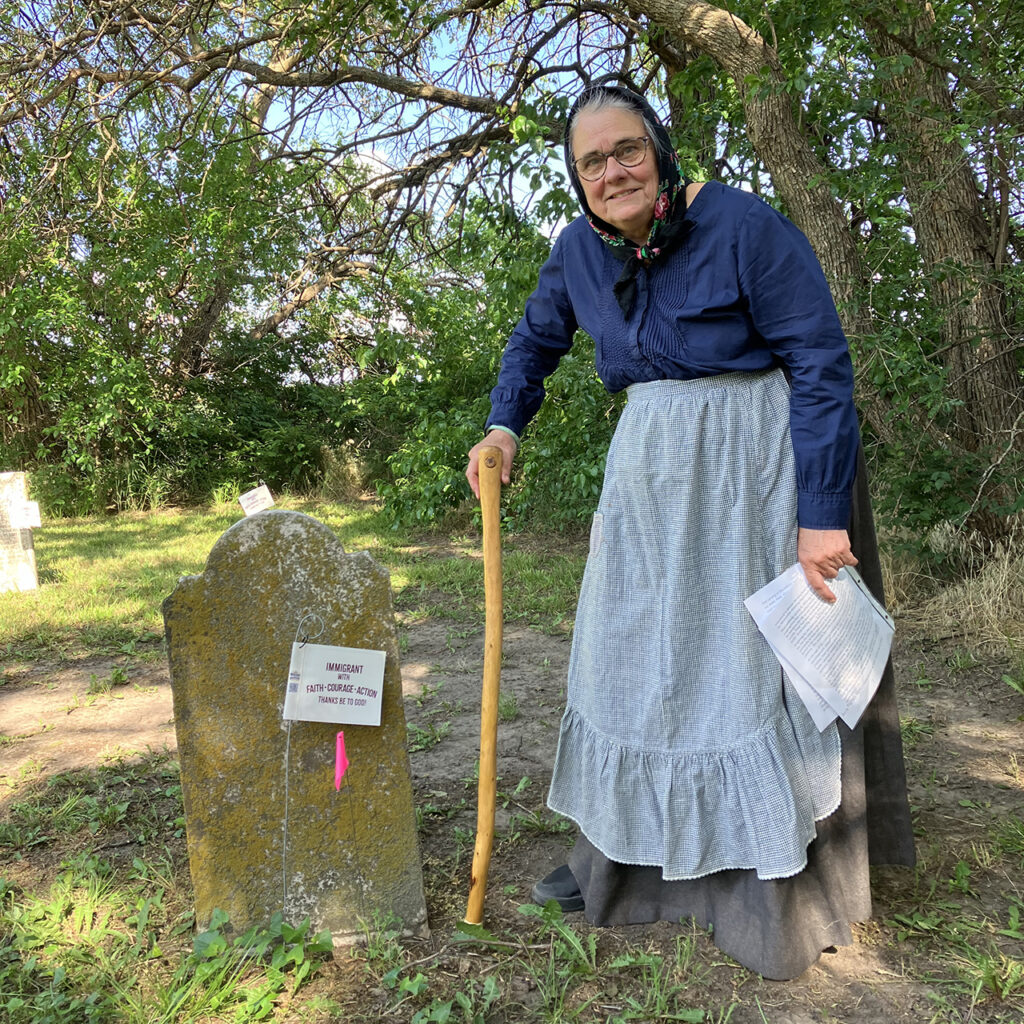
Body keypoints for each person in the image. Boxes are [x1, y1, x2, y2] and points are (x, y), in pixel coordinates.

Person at [465, 80, 914, 980]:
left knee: (742, 671)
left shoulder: (745, 227)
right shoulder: (577, 254)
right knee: (629, 657)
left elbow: (821, 364)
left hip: (754, 471)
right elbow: (533, 340)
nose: (613, 171)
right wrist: (506, 424)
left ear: (660, 152)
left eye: (627, 149)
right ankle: (618, 862)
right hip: (650, 476)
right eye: (592, 161)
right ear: (577, 179)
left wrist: (820, 514)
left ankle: (762, 888)